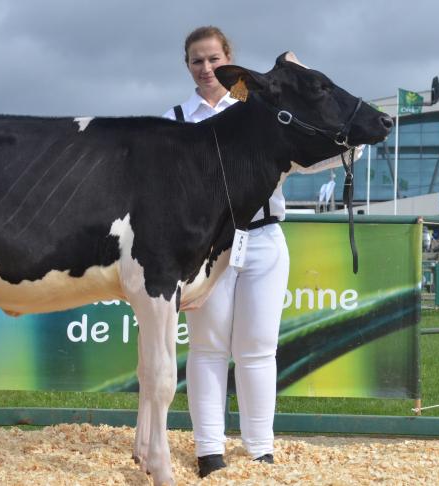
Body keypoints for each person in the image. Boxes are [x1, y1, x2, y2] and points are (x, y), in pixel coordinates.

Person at [162, 26, 286, 478]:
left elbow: (318, 150)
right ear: (187, 65)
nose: (207, 68)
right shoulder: (174, 118)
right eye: (197, 60)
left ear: (229, 59)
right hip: (206, 243)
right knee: (208, 348)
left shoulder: (262, 110)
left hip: (264, 236)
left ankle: (260, 450)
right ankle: (209, 449)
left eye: (214, 59)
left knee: (257, 349)